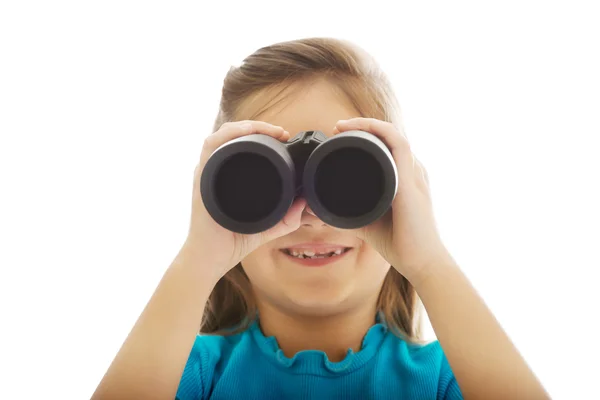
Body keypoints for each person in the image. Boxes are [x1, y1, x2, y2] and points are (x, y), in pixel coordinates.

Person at [92, 37, 549, 400]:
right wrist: (197, 262)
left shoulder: (446, 380)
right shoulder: (191, 372)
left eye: (347, 178)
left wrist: (429, 261)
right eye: (267, 180)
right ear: (227, 195)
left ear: (398, 191)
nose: (308, 214)